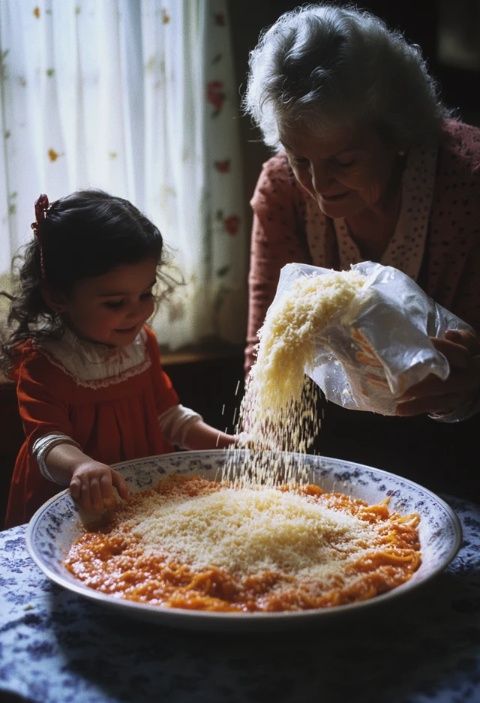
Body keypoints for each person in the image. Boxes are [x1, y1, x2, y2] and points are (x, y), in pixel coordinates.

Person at [242, 3, 480, 498]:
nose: (318, 184)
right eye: (298, 156)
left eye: (344, 160)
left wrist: (470, 383)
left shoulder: (467, 184)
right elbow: (266, 345)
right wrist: (262, 439)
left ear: (395, 132)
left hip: (459, 447)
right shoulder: (283, 189)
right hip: (335, 443)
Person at [1, 190, 235, 528]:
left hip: (143, 497)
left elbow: (169, 417)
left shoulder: (143, 345)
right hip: (72, 503)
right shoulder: (44, 364)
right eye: (115, 303)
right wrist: (81, 466)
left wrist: (225, 444)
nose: (137, 312)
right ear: (58, 296)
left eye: (145, 294)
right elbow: (47, 444)